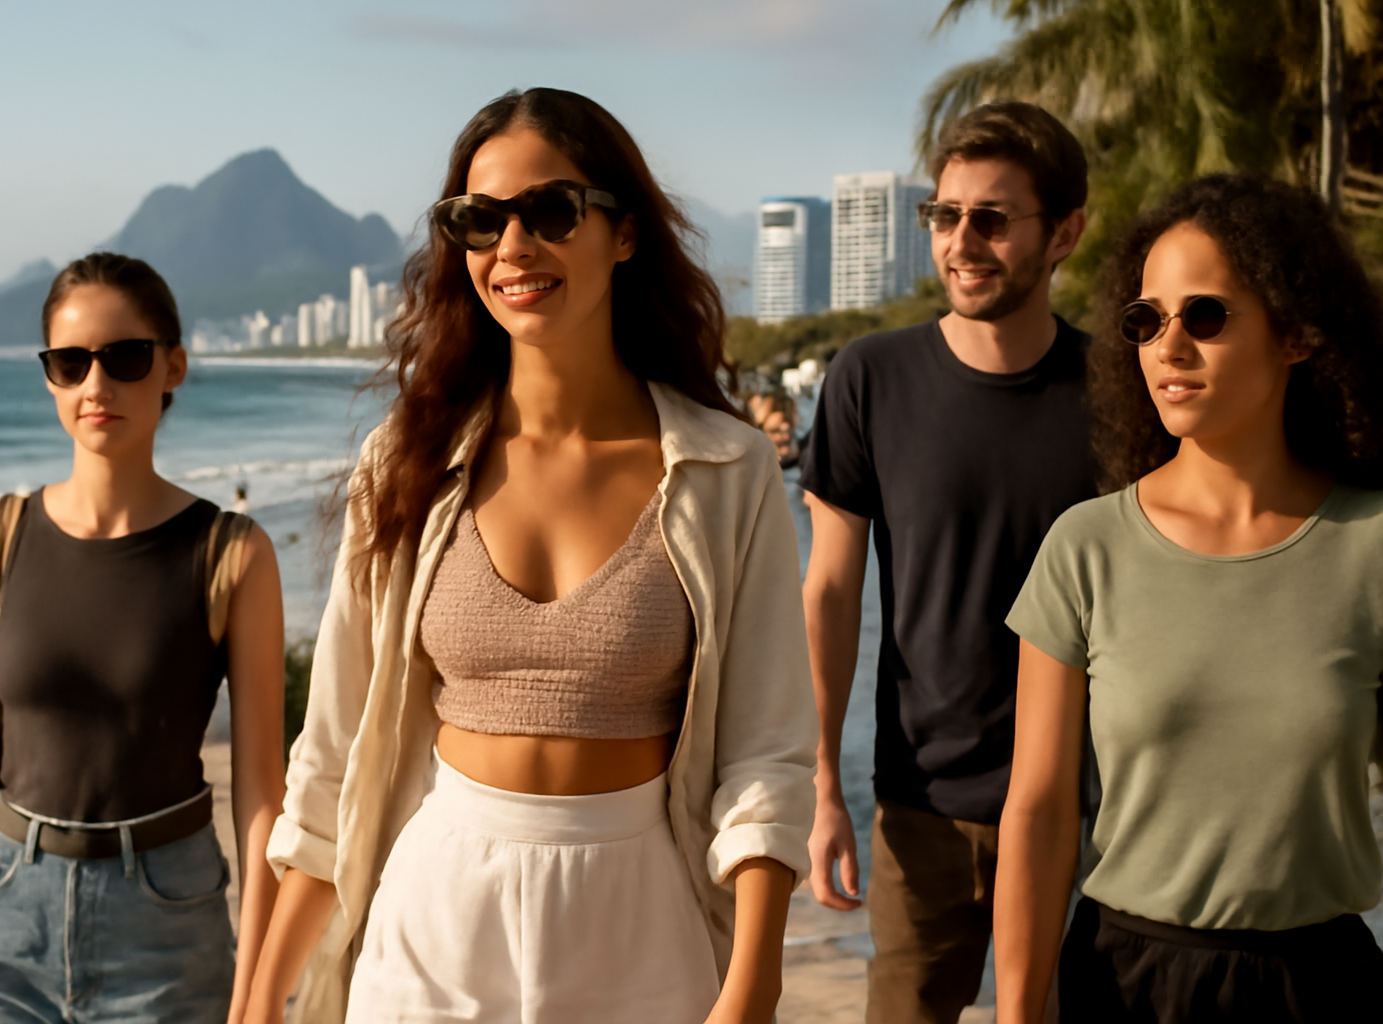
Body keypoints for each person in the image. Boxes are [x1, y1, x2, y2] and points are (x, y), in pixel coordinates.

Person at [242, 87, 817, 1024]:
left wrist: (753, 986)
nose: (512, 246)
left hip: (640, 922)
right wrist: (264, 994)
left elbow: (767, 756)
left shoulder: (724, 470)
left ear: (624, 233)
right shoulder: (408, 462)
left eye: (550, 211)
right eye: (479, 220)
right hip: (434, 923)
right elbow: (335, 751)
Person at [0, 254, 288, 1024]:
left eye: (126, 357)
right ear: (50, 377)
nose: (96, 384)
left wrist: (259, 996)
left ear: (173, 366)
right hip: (2, 921)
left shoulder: (231, 554)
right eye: (70, 362)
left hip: (167, 931)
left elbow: (261, 793)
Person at [999, 174, 1383, 1022]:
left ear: (1296, 333)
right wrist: (1017, 1012)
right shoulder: (1085, 548)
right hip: (1124, 986)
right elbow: (1040, 813)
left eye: (1204, 316)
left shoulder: (1372, 545)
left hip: (1325, 990)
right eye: (1146, 320)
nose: (1168, 346)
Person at [798, 102, 1093, 1024]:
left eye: (992, 219)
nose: (962, 242)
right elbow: (831, 590)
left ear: (1065, 234)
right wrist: (821, 784)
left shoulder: (1119, 393)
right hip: (919, 807)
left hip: (1089, 812)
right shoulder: (869, 378)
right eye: (945, 214)